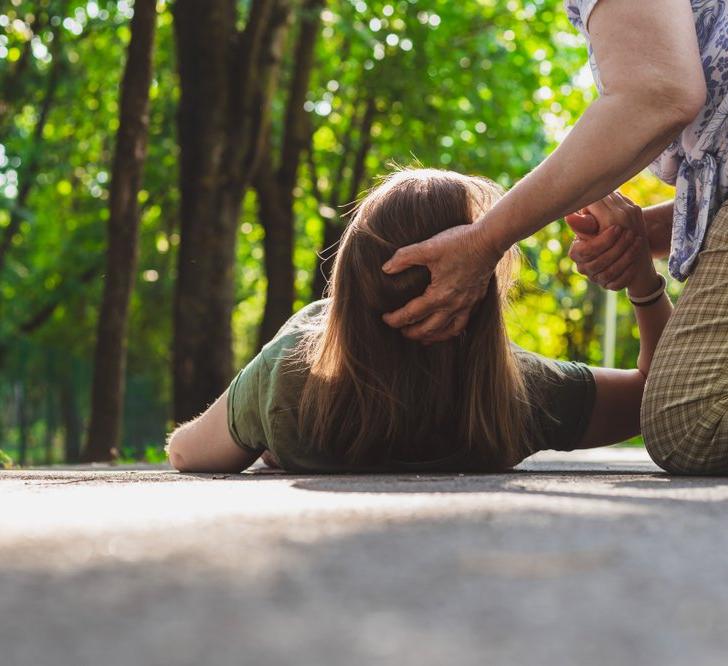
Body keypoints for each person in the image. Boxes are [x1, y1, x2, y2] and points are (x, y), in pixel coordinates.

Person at [380, 1, 728, 477]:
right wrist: (642, 239)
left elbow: (657, 93)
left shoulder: (515, 394)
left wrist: (486, 239)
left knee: (692, 417)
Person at [165, 169, 671, 473]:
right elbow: (659, 397)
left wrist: (270, 415)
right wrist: (644, 285)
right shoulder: (519, 394)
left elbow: (186, 454)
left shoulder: (290, 377)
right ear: (478, 294)